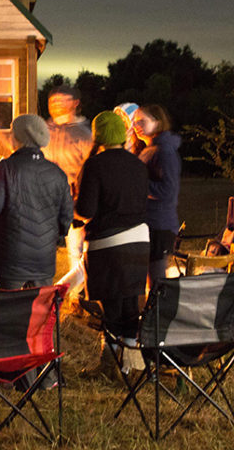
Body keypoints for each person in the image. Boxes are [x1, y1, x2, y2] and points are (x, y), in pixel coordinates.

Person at [75, 111, 149, 378]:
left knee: (111, 307)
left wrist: (73, 207)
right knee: (131, 303)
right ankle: (129, 363)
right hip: (140, 241)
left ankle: (108, 365)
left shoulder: (95, 166)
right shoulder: (138, 165)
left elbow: (86, 209)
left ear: (99, 136)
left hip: (109, 244)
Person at [0, 114, 72, 290]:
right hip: (43, 257)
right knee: (38, 310)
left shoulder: (4, 168)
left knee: (10, 308)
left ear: (19, 137)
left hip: (9, 255)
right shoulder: (57, 172)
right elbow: (65, 218)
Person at [41, 85, 94, 292]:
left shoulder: (83, 134)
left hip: (74, 201)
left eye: (63, 100)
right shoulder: (45, 130)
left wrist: (82, 196)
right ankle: (41, 291)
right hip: (46, 200)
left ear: (75, 103)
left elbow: (90, 168)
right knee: (43, 247)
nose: (57, 105)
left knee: (76, 249)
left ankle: (74, 295)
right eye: (53, 101)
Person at [131, 104, 182, 287]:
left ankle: (159, 314)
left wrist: (138, 185)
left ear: (158, 122)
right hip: (148, 223)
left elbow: (168, 191)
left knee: (156, 281)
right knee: (146, 279)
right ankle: (147, 313)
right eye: (135, 121)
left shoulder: (164, 151)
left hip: (159, 225)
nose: (137, 125)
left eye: (143, 121)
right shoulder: (148, 149)